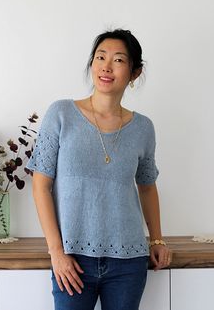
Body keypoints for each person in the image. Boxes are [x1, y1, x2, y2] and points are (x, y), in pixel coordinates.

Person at [26, 28, 172, 310]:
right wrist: (56, 252)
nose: (106, 66)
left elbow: (147, 185)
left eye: (118, 60)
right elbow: (40, 185)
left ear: (134, 73)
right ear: (92, 64)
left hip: (128, 263)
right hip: (72, 260)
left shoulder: (143, 128)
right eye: (100, 57)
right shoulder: (61, 114)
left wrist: (157, 238)